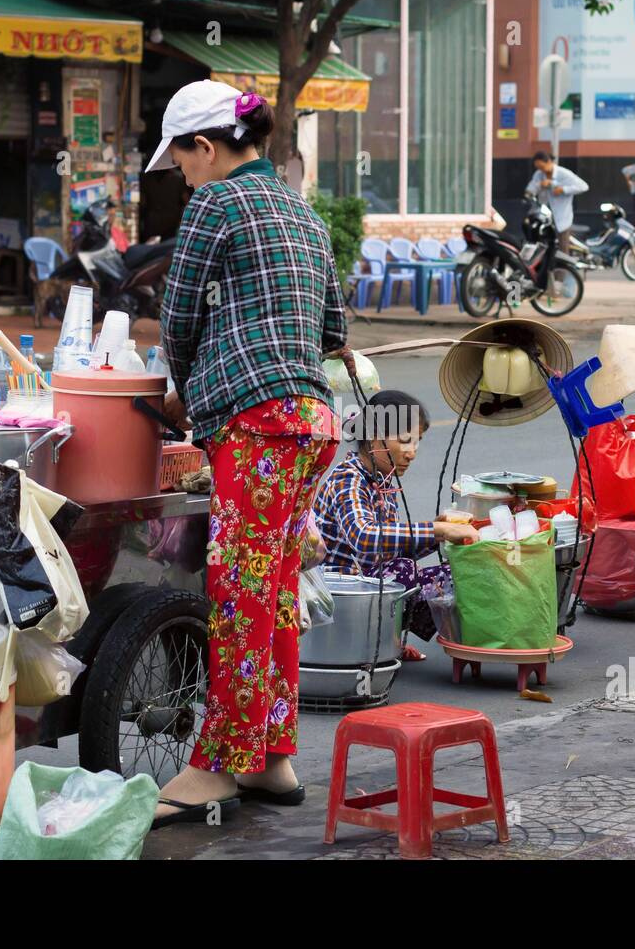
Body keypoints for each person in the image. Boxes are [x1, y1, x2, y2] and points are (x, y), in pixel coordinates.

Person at [150, 80, 353, 824]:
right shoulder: (303, 209)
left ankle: (218, 765)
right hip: (310, 424)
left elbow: (178, 316)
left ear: (205, 148)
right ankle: (271, 756)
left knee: (238, 593)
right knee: (271, 592)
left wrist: (183, 389)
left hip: (258, 427)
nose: (183, 179)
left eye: (180, 164)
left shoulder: (215, 204)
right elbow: (333, 327)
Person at [313, 390, 479, 655]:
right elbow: (363, 537)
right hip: (336, 597)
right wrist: (438, 528)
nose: (412, 453)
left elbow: (388, 551)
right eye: (404, 441)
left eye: (417, 442)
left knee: (452, 571)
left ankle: (389, 642)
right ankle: (378, 643)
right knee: (405, 570)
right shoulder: (349, 478)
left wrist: (438, 534)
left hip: (364, 588)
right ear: (373, 438)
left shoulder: (383, 481)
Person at [525, 151, 588, 250]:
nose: (541, 170)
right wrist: (540, 185)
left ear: (549, 162)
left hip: (561, 217)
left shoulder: (563, 173)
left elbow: (583, 186)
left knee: (563, 248)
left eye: (542, 167)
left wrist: (563, 189)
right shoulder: (539, 174)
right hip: (545, 217)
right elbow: (530, 189)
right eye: (538, 168)